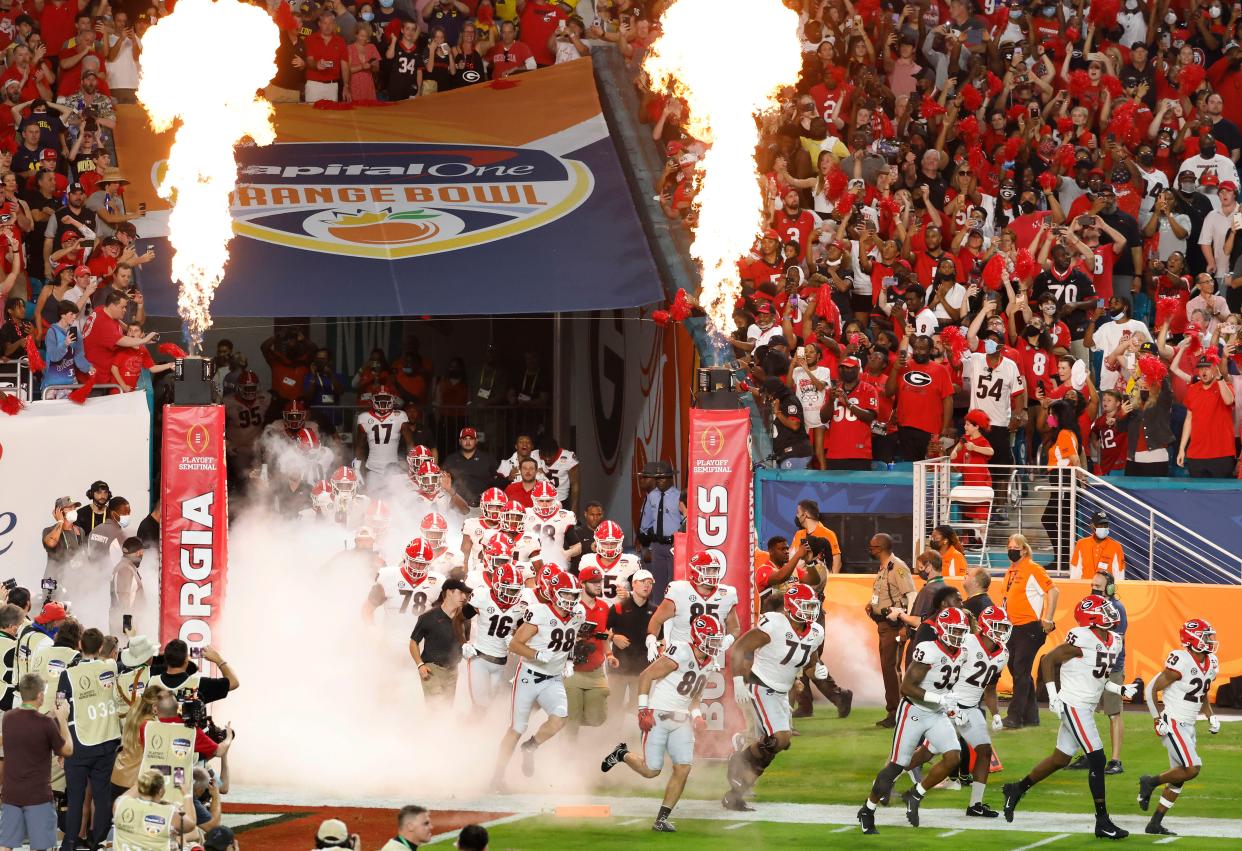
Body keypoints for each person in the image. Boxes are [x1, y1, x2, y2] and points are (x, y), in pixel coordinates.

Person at [1002, 595, 1138, 840]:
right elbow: (1049, 660)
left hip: (1084, 705)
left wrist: (1120, 689)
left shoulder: (1115, 640)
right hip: (1073, 703)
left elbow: (1100, 679)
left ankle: (1016, 789)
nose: (1109, 613)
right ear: (1092, 618)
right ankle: (1102, 821)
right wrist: (1053, 695)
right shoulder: (1082, 636)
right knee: (1097, 758)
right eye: (1103, 610)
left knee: (1060, 758)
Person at [600, 613, 723, 832]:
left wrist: (697, 716)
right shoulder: (682, 651)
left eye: (716, 640)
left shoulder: (709, 662)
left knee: (683, 768)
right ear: (698, 636)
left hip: (681, 719)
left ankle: (661, 819)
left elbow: (694, 697)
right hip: (657, 714)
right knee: (651, 770)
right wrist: (643, 710)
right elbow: (646, 676)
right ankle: (622, 754)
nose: (714, 645)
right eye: (711, 639)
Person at [857, 608, 970, 834]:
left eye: (961, 631)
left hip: (936, 712)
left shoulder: (962, 652)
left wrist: (954, 708)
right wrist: (940, 699)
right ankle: (867, 809)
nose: (958, 636)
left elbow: (947, 685)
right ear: (942, 630)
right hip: (914, 712)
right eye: (954, 631)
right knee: (897, 766)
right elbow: (906, 687)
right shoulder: (928, 650)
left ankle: (914, 794)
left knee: (953, 757)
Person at [902, 606, 1013, 818]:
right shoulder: (967, 642)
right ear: (986, 626)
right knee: (926, 754)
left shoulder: (1003, 654)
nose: (1002, 632)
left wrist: (996, 713)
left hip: (970, 708)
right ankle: (891, 777)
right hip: (950, 706)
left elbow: (989, 687)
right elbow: (948, 673)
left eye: (1004, 627)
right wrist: (947, 705)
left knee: (984, 750)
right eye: (998, 627)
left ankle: (975, 805)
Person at [723, 585, 825, 812]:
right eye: (806, 606)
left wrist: (818, 670)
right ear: (791, 606)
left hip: (781, 691)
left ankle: (737, 786)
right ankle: (739, 764)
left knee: (779, 743)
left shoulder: (815, 632)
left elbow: (809, 662)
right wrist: (739, 680)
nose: (810, 611)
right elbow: (740, 647)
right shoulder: (775, 623)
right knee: (777, 738)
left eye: (812, 606)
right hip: (762, 684)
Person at [490, 570, 584, 788]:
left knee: (559, 719)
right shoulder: (539, 612)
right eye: (566, 594)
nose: (570, 599)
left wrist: (569, 660)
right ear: (553, 592)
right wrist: (535, 654)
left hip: (553, 678)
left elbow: (570, 639)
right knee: (516, 728)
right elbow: (514, 644)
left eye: (573, 595)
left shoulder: (579, 613)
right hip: (529, 677)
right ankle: (497, 775)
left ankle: (531, 746)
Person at [1139, 618, 1221, 837]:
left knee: (1179, 777)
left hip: (1190, 724)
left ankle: (1154, 824)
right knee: (1193, 767)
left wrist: (1210, 716)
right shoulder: (1181, 661)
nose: (1211, 641)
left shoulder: (1211, 662)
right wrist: (1158, 720)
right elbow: (1150, 690)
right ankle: (1150, 782)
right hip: (1173, 722)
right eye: (1206, 636)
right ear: (1193, 639)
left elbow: (1201, 693)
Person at [59, 627, 122, 851]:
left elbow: (61, 709)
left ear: (79, 646)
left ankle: (69, 843)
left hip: (79, 743)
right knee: (101, 795)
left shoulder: (68, 674)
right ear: (101, 648)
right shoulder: (111, 666)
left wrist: (61, 745)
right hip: (107, 741)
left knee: (75, 797)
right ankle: (98, 841)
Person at [0, 673, 72, 851]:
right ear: (40, 696)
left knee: (5, 845)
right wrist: (62, 719)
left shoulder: (8, 718)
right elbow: (67, 750)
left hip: (11, 794)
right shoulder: (46, 724)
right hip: (38, 796)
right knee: (40, 846)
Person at [1067, 571, 1128, 776]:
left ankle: (1116, 759)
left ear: (1110, 588)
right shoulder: (1090, 604)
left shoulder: (1117, 608)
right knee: (1086, 709)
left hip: (1110, 666)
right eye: (1092, 585)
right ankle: (1089, 752)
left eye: (1098, 586)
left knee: (1113, 713)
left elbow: (1112, 641)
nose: (1094, 589)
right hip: (1091, 666)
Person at [1001, 534, 1058, 730]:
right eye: (1009, 546)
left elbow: (1053, 591)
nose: (1011, 550)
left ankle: (1014, 717)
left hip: (1029, 627)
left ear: (1024, 550)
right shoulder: (1010, 571)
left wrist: (1048, 618)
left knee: (1020, 670)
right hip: (1012, 628)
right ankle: (1031, 715)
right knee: (1018, 670)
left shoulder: (1033, 569)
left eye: (1015, 546)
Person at [646, 551, 740, 666]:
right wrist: (652, 641)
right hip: (680, 656)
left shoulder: (726, 594)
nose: (713, 574)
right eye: (708, 570)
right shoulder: (679, 591)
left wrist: (728, 640)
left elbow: (734, 627)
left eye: (715, 570)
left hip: (711, 656)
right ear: (695, 571)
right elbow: (657, 620)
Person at [462, 558, 524, 712]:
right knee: (480, 705)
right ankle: (461, 732)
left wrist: (516, 638)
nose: (512, 594)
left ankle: (472, 730)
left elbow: (524, 634)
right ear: (496, 585)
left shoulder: (522, 606)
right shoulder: (482, 595)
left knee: (492, 706)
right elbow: (459, 620)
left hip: (502, 662)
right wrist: (463, 642)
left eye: (516, 590)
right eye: (508, 589)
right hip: (479, 658)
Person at [867, 533, 915, 728]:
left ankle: (897, 712)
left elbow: (911, 596)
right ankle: (895, 710)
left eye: (872, 547)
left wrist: (906, 625)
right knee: (888, 667)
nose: (870, 550)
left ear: (881, 548)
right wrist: (872, 605)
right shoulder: (885, 568)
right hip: (884, 625)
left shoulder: (898, 567)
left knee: (891, 667)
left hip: (895, 626)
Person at [409, 579, 473, 704]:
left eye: (466, 594)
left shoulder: (465, 620)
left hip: (453, 671)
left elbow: (465, 643)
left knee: (446, 709)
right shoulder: (427, 617)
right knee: (436, 707)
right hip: (432, 670)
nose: (464, 597)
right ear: (449, 592)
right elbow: (413, 642)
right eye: (461, 593)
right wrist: (420, 665)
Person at [1172, 353, 1237, 478]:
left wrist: (1220, 378)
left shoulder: (1225, 385)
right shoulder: (1192, 389)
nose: (1203, 371)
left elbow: (1228, 400)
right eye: (1201, 368)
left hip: (1221, 454)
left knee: (1222, 496)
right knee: (1196, 497)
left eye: (1207, 368)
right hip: (1196, 455)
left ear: (1214, 368)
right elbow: (1188, 419)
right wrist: (1181, 449)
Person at [564, 565, 610, 737]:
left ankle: (561, 717)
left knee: (597, 719)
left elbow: (604, 633)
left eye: (600, 582)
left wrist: (610, 654)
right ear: (582, 584)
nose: (599, 585)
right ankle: (567, 755)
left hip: (596, 670)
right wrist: (575, 640)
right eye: (594, 582)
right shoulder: (571, 605)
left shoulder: (604, 606)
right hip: (573, 670)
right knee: (573, 719)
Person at [605, 569, 656, 713]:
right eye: (643, 582)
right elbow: (600, 634)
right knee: (613, 709)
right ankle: (610, 735)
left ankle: (633, 735)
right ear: (633, 584)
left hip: (642, 672)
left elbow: (662, 640)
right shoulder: (618, 608)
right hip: (618, 669)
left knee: (637, 711)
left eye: (650, 583)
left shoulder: (655, 611)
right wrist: (613, 637)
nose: (647, 586)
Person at [1040, 398, 1083, 569]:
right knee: (1060, 520)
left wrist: (1079, 479)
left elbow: (1075, 459)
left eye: (1051, 414)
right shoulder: (1063, 433)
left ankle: (1063, 560)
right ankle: (1062, 560)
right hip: (1060, 482)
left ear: (1060, 416)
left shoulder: (1065, 433)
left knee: (1053, 519)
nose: (1049, 417)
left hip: (1065, 481)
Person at [113, 768, 197, 850]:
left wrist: (146, 778)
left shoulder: (120, 803)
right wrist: (187, 794)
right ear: (161, 791)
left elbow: (135, 789)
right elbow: (191, 823)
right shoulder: (170, 814)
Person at [636, 460, 681, 603]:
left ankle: (674, 610)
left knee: (674, 581)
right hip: (657, 544)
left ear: (670, 478)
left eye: (662, 478)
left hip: (674, 544)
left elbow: (684, 521)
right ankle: (656, 613)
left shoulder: (679, 496)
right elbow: (646, 522)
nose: (659, 481)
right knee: (656, 581)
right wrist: (647, 545)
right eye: (657, 478)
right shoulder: (652, 496)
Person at [442, 427, 499, 506]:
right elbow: (442, 482)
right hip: (458, 506)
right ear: (460, 441)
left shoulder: (488, 459)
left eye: (471, 439)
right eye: (465, 439)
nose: (468, 442)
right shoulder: (451, 460)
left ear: (476, 441)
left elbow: (498, 481)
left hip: (483, 505)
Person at [41, 496, 84, 587]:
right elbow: (51, 543)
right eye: (69, 508)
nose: (74, 510)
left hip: (72, 581)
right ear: (59, 511)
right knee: (50, 600)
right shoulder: (48, 531)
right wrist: (60, 521)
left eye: (74, 508)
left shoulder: (80, 531)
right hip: (51, 580)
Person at [1070, 511, 1126, 580]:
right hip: (1085, 588)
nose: (1103, 528)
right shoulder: (1081, 544)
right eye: (1100, 525)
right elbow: (1075, 571)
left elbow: (1119, 576)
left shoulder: (1116, 547)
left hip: (1106, 589)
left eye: (1106, 525)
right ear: (1092, 526)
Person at [110, 536, 145, 636]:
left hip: (126, 627)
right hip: (125, 631)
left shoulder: (126, 567)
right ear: (139, 552)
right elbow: (124, 600)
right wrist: (128, 631)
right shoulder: (125, 570)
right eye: (142, 552)